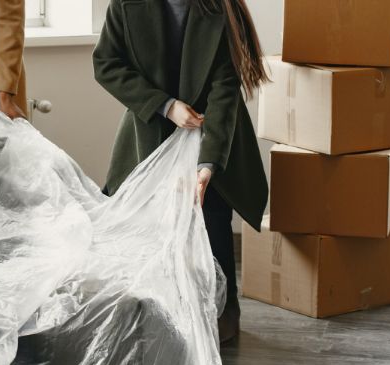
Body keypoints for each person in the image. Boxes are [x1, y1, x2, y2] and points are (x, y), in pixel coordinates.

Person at [93, 0, 269, 343]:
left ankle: (222, 313)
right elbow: (106, 63)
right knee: (146, 223)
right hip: (150, 127)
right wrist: (165, 105)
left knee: (213, 214)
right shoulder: (126, 5)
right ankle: (158, 315)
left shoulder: (223, 7)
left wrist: (207, 164)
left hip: (213, 128)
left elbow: (225, 89)